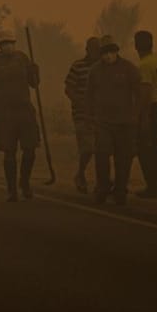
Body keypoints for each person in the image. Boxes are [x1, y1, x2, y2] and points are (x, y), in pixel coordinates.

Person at [0, 31, 42, 201]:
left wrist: (35, 71)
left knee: (30, 150)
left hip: (25, 111)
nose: (8, 46)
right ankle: (11, 189)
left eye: (11, 43)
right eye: (4, 43)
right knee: (9, 152)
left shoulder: (22, 58)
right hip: (4, 114)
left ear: (14, 44)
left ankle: (25, 183)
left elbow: (34, 84)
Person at [87, 37, 142, 207]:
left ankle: (120, 191)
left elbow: (139, 93)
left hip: (125, 122)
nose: (108, 56)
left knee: (123, 158)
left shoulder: (129, 69)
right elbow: (88, 96)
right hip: (103, 121)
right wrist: (90, 117)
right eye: (104, 53)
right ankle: (102, 188)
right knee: (102, 154)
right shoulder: (95, 71)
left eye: (111, 52)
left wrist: (136, 116)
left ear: (117, 51)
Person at [63, 36, 101, 194]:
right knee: (87, 148)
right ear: (87, 50)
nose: (95, 53)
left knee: (101, 149)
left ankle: (101, 181)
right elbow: (69, 88)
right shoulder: (78, 66)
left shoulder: (102, 67)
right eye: (93, 50)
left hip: (100, 114)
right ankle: (80, 173)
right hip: (81, 114)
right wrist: (79, 102)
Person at [133, 29, 157, 198]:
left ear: (136, 46)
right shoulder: (156, 61)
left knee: (145, 149)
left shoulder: (144, 65)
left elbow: (145, 93)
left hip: (149, 109)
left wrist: (142, 116)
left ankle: (152, 186)